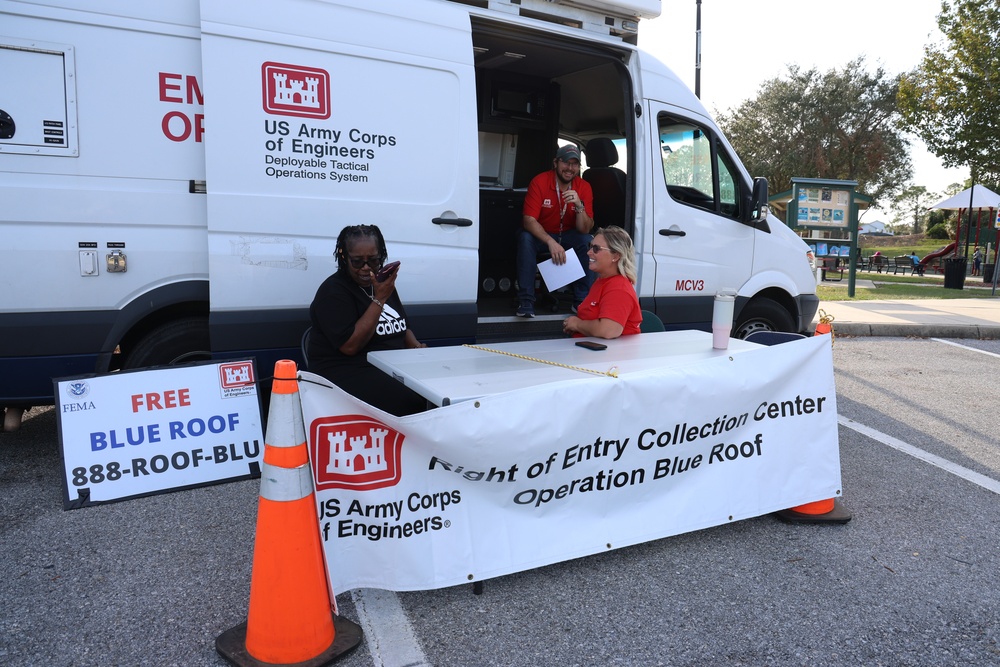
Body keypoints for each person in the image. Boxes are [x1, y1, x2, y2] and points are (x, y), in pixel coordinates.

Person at [308, 224, 428, 416]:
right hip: (348, 370)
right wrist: (379, 299)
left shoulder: (381, 285)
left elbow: (401, 326)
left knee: (436, 388)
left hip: (389, 366)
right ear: (344, 257)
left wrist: (415, 349)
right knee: (411, 399)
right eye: (357, 262)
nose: (366, 268)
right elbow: (350, 346)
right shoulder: (333, 291)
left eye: (373, 261)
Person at [516, 144, 595, 318]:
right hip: (544, 234)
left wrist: (579, 205)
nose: (570, 168)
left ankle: (581, 302)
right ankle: (526, 301)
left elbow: (584, 229)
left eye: (575, 164)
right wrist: (550, 242)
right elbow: (528, 221)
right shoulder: (540, 181)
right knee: (525, 238)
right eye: (566, 163)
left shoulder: (584, 187)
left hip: (568, 234)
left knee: (588, 241)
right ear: (556, 163)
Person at [562, 226, 642, 339]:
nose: (589, 252)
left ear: (615, 256)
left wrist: (577, 324)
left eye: (596, 248)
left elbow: (608, 330)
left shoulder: (619, 288)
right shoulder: (602, 281)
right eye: (590, 247)